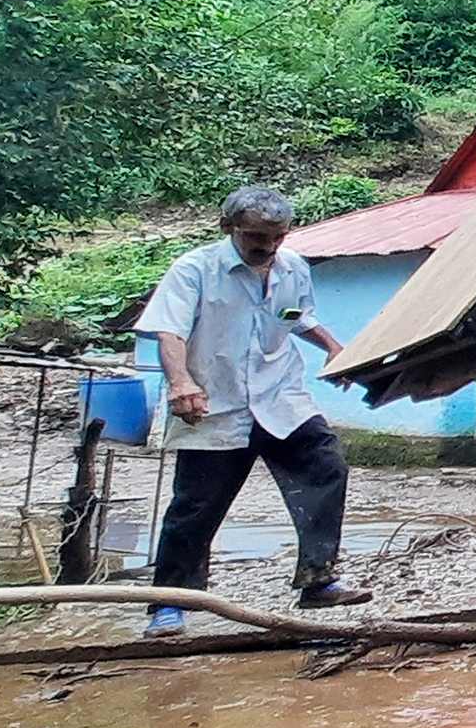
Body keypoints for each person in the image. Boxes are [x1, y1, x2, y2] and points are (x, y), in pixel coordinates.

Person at [134, 185, 369, 637]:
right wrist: (181, 382)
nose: (269, 246)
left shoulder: (292, 267)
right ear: (229, 227)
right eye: (258, 237)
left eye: (278, 236)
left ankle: (317, 579)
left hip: (279, 396)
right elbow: (169, 332)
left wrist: (333, 347)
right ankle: (171, 602)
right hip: (215, 402)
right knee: (197, 504)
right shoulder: (194, 270)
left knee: (326, 467)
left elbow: (297, 317)